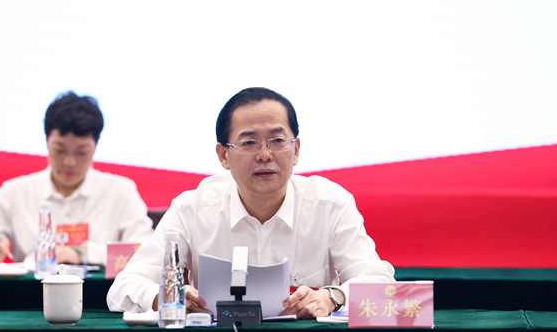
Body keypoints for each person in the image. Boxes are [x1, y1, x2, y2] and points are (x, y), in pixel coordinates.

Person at [107, 87, 394, 318]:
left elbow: (380, 281)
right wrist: (164, 296)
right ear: (223, 155)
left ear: (296, 150)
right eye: (248, 143)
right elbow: (123, 287)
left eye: (277, 140)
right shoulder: (191, 209)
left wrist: (332, 297)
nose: (265, 154)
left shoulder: (330, 204)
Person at [0, 91, 153, 266]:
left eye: (81, 152)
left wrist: (85, 254)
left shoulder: (120, 191)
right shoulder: (16, 192)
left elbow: (146, 251)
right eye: (60, 150)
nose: (69, 162)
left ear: (96, 145)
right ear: (46, 141)